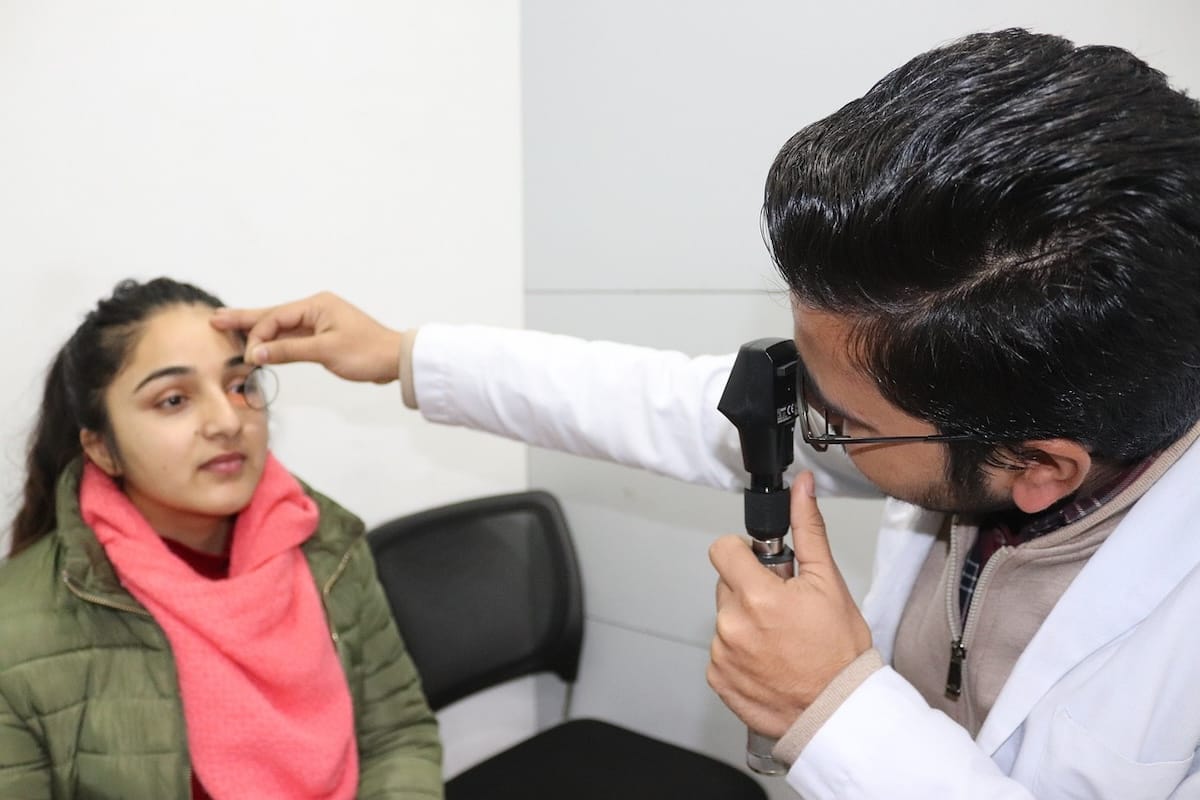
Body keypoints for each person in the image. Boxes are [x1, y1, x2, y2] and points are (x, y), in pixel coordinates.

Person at [212, 28, 1200, 799]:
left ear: (1039, 466)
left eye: (844, 422)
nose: (811, 423)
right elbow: (666, 404)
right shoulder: (981, 422)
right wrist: (399, 354)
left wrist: (832, 709)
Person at [0, 278, 442, 799]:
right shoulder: (18, 633)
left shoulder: (327, 546)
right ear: (103, 450)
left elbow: (397, 738)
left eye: (241, 386)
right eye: (173, 400)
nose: (227, 420)